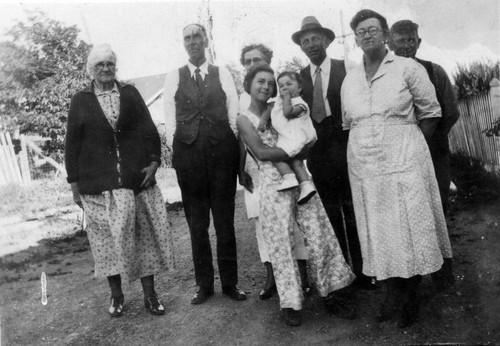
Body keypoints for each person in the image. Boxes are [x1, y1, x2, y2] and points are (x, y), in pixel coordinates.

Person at [341, 9, 453, 328]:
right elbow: (349, 123)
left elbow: (431, 112)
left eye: (373, 29)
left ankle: (411, 297)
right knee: (378, 227)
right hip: (364, 163)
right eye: (360, 31)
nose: (367, 35)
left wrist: (409, 148)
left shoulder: (407, 67)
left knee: (407, 225)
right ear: (356, 38)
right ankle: (392, 293)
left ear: (385, 33)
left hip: (404, 156)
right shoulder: (350, 79)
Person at [238, 62, 355, 327]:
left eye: (270, 82)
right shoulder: (244, 119)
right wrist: (296, 151)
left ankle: (331, 292)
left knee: (318, 232)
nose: (266, 86)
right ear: (248, 85)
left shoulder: (279, 109)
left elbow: (301, 133)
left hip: (301, 180)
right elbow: (262, 152)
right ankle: (290, 302)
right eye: (260, 81)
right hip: (272, 184)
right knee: (281, 243)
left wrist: (301, 147)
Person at [65, 44, 174, 317]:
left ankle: (150, 296)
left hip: (135, 182)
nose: (105, 69)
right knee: (106, 245)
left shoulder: (130, 93)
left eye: (109, 64)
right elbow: (72, 145)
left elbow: (149, 131)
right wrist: (74, 185)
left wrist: (154, 162)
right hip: (97, 189)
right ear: (91, 69)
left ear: (116, 67)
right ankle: (116, 296)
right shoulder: (81, 100)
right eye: (100, 65)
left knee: (144, 238)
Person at [163, 23, 245, 305]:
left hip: (221, 156)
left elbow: (233, 112)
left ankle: (231, 284)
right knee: (197, 225)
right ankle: (204, 285)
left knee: (224, 223)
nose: (193, 41)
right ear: (183, 43)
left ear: (206, 40)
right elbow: (170, 118)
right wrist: (179, 151)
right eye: (187, 38)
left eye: (197, 36)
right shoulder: (174, 76)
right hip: (189, 159)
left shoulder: (222, 73)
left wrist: (230, 148)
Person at [292, 16, 373, 289]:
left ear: (326, 40)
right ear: (301, 47)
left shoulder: (347, 68)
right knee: (331, 214)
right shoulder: (298, 79)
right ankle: (344, 273)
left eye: (316, 38)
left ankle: (364, 271)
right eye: (306, 41)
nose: (311, 44)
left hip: (346, 148)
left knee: (353, 210)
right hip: (318, 154)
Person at [389, 19, 459, 291]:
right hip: (398, 158)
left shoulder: (434, 71)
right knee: (407, 213)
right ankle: (412, 275)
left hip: (434, 152)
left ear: (418, 42)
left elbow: (450, 112)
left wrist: (422, 139)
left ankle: (443, 272)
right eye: (400, 40)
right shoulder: (386, 74)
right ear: (389, 43)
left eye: (411, 40)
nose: (406, 46)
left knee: (437, 208)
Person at [238, 44, 311, 300]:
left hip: (285, 164)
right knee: (266, 228)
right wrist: (240, 168)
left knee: (294, 226)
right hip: (258, 168)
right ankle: (274, 280)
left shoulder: (279, 100)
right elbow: (243, 141)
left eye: (257, 60)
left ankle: (302, 280)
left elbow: (296, 130)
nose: (251, 64)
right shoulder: (242, 105)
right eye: (247, 61)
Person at [259, 71, 317, 203]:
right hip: (287, 138)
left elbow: (288, 112)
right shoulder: (278, 102)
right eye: (281, 86)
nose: (284, 88)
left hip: (296, 139)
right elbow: (269, 111)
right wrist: (263, 121)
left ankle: (289, 177)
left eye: (289, 84)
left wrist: (286, 98)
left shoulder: (300, 104)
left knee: (275, 156)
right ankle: (306, 186)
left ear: (300, 88)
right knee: (296, 163)